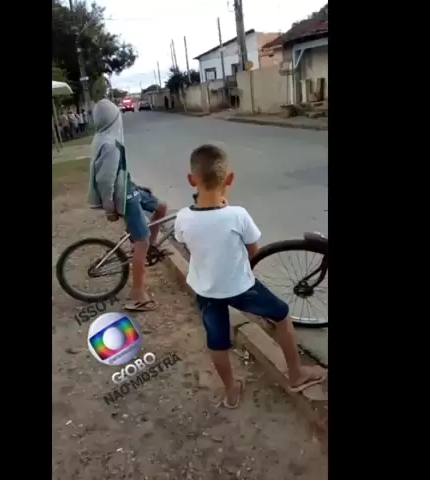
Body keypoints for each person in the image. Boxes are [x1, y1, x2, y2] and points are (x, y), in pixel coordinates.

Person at [174, 144, 327, 408]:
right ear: (230, 180)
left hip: (205, 290)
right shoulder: (238, 215)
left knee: (217, 342)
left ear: (191, 180)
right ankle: (296, 374)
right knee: (282, 315)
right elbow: (253, 251)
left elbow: (187, 242)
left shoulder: (183, 217)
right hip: (240, 287)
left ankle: (231, 391)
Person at [88, 99, 168, 311]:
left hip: (129, 188)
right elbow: (105, 180)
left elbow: (118, 174)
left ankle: (147, 249)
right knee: (141, 242)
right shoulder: (110, 145)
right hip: (124, 197)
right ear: (114, 119)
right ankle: (138, 294)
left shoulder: (103, 137)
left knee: (161, 207)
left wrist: (138, 187)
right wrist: (109, 208)